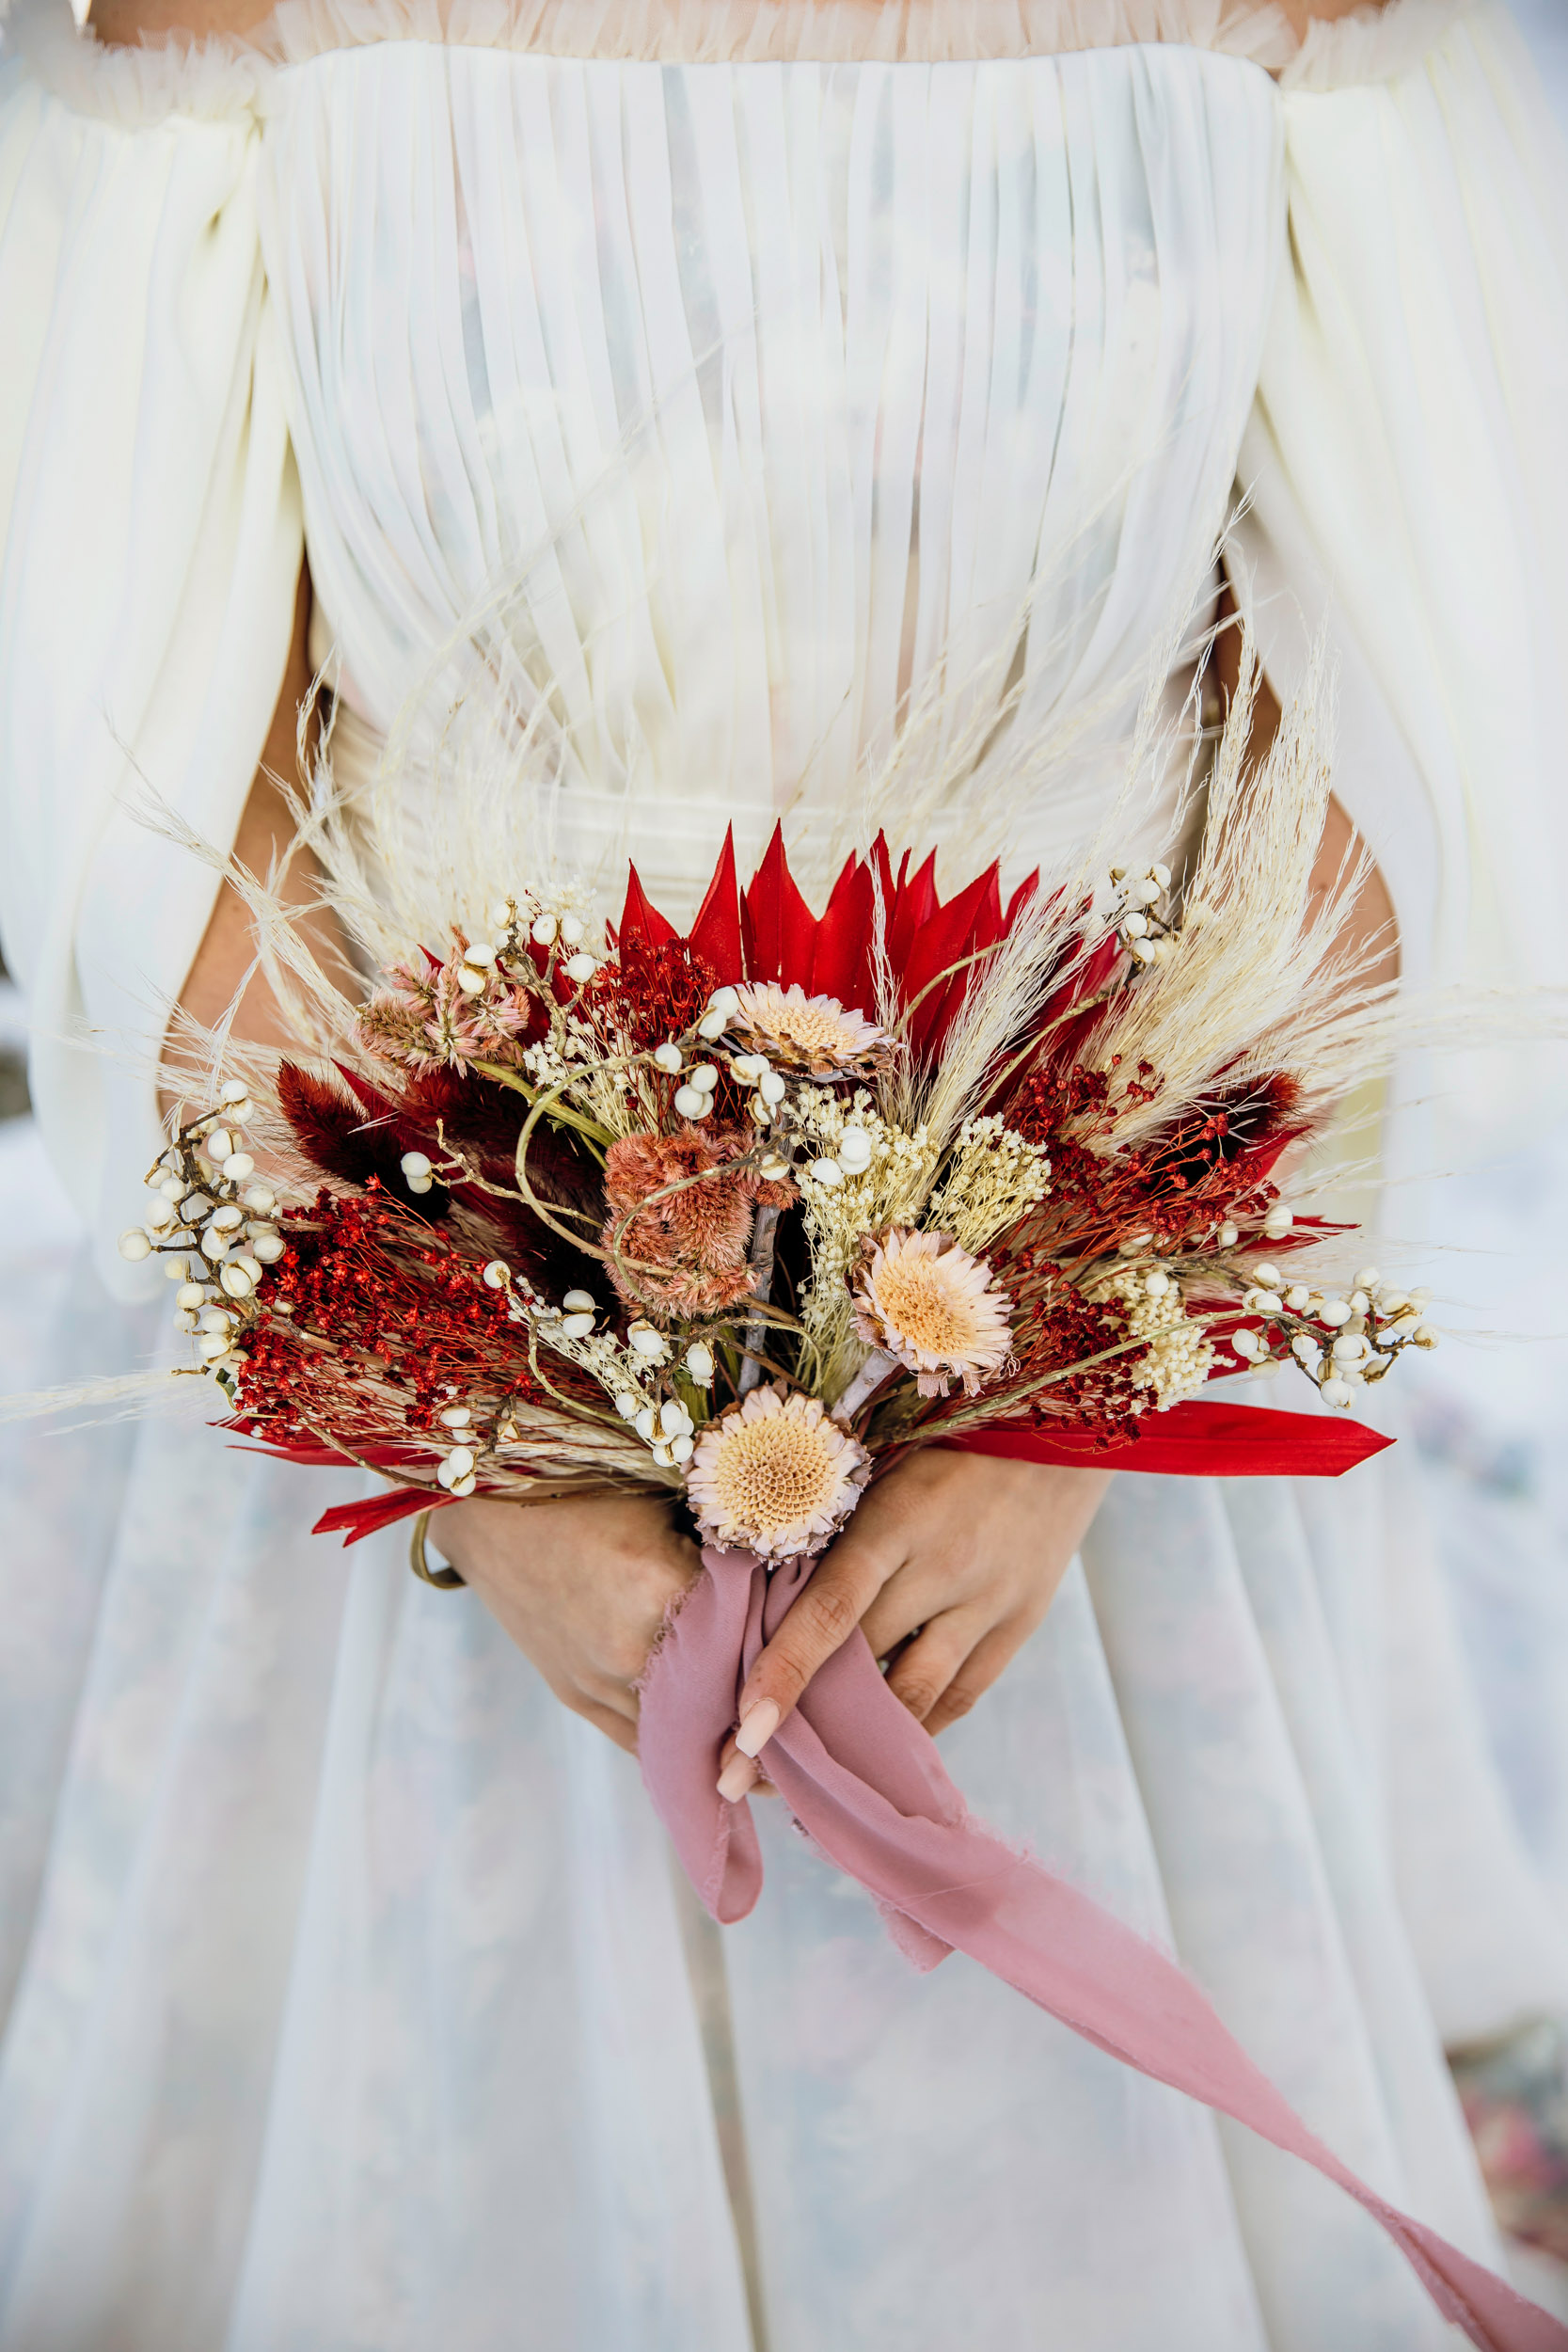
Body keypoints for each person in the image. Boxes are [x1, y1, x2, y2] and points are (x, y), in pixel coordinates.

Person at [1, 0, 1566, 2344]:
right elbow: (156, 748)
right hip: (397, 1255)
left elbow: (1371, 695)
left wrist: (1083, 1377)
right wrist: (461, 1424)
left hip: (1092, 1299)